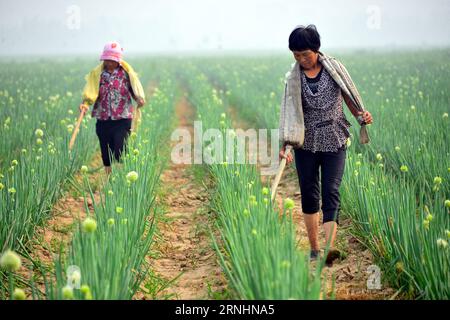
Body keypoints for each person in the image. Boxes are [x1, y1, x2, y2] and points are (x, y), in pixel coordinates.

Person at [278, 25, 373, 266]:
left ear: (316, 50)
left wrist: (361, 115)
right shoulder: (293, 78)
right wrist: (285, 145)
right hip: (306, 143)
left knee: (331, 191)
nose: (301, 59)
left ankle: (330, 249)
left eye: (305, 54)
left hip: (334, 138)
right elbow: (289, 113)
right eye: (296, 55)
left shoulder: (334, 69)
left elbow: (349, 98)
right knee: (310, 195)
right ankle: (314, 249)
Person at [79, 41, 146, 174]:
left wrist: (139, 98)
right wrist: (85, 104)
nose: (109, 63)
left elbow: (133, 89)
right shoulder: (97, 74)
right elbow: (91, 91)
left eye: (112, 60)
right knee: (105, 149)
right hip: (103, 118)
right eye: (107, 60)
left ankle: (121, 175)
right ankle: (109, 177)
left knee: (120, 148)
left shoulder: (126, 73)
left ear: (118, 60)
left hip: (122, 117)